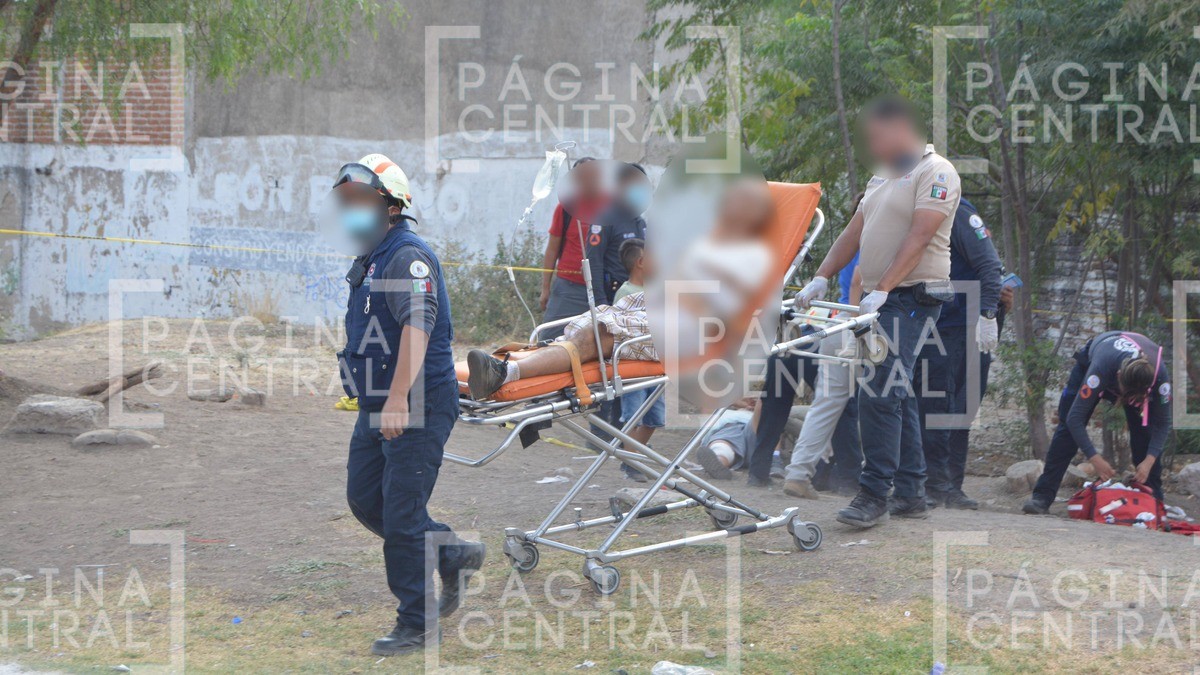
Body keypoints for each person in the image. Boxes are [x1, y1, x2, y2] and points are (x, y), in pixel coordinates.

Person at [334, 154, 484, 656]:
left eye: (359, 200)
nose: (350, 210)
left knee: (400, 515)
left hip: (416, 403)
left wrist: (398, 398)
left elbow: (418, 327)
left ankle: (416, 624)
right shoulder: (373, 256)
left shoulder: (407, 256)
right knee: (364, 499)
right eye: (345, 202)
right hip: (378, 404)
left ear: (391, 206)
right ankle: (451, 550)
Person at [795, 96, 960, 528]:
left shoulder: (936, 172)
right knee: (895, 389)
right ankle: (910, 493)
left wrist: (883, 288)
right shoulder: (882, 176)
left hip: (913, 296)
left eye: (878, 136)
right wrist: (822, 275)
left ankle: (873, 493)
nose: (874, 145)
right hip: (881, 298)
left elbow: (922, 235)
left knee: (880, 387)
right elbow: (855, 230)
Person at [914, 197, 1002, 510]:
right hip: (934, 324)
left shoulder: (958, 214)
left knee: (959, 410)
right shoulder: (910, 210)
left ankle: (948, 486)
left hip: (966, 326)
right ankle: (934, 484)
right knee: (934, 406)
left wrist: (990, 313)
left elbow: (990, 266)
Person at [1023, 331, 1172, 513]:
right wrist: (1095, 458)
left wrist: (1148, 461)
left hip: (1136, 383)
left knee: (1144, 433)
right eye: (1124, 394)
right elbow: (1074, 418)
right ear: (1118, 376)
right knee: (1067, 431)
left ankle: (1154, 503)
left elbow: (1163, 423)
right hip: (1094, 361)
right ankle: (1042, 497)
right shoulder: (1101, 368)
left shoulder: (1159, 378)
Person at [613, 239, 664, 482]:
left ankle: (632, 456)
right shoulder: (626, 294)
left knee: (655, 419)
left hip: (656, 366)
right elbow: (619, 329)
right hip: (633, 367)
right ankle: (632, 463)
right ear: (641, 262)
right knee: (632, 417)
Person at [539, 157, 599, 339]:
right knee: (547, 338)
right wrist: (545, 288)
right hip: (568, 287)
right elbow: (552, 249)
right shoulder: (566, 208)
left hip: (601, 289)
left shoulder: (611, 207)